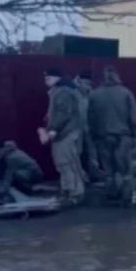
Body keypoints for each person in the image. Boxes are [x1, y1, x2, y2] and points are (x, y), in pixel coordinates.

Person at [89, 66, 136, 205]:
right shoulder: (126, 93)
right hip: (123, 137)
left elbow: (91, 118)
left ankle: (111, 194)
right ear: (117, 76)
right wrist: (135, 134)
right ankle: (127, 197)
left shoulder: (94, 94)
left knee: (109, 170)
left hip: (102, 137)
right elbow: (133, 116)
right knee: (125, 170)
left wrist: (93, 136)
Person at [40, 67, 84, 205]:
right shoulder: (62, 90)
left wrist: (53, 129)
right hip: (65, 133)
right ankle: (68, 191)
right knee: (64, 164)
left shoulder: (62, 92)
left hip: (65, 134)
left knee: (67, 164)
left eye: (48, 78)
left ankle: (75, 193)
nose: (45, 81)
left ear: (56, 78)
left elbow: (63, 113)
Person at [74, 68, 102, 181]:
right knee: (77, 151)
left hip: (88, 125)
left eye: (90, 83)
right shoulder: (72, 91)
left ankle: (94, 172)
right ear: (79, 80)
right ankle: (78, 175)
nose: (88, 85)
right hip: (76, 126)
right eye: (86, 83)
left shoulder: (89, 92)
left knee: (92, 150)